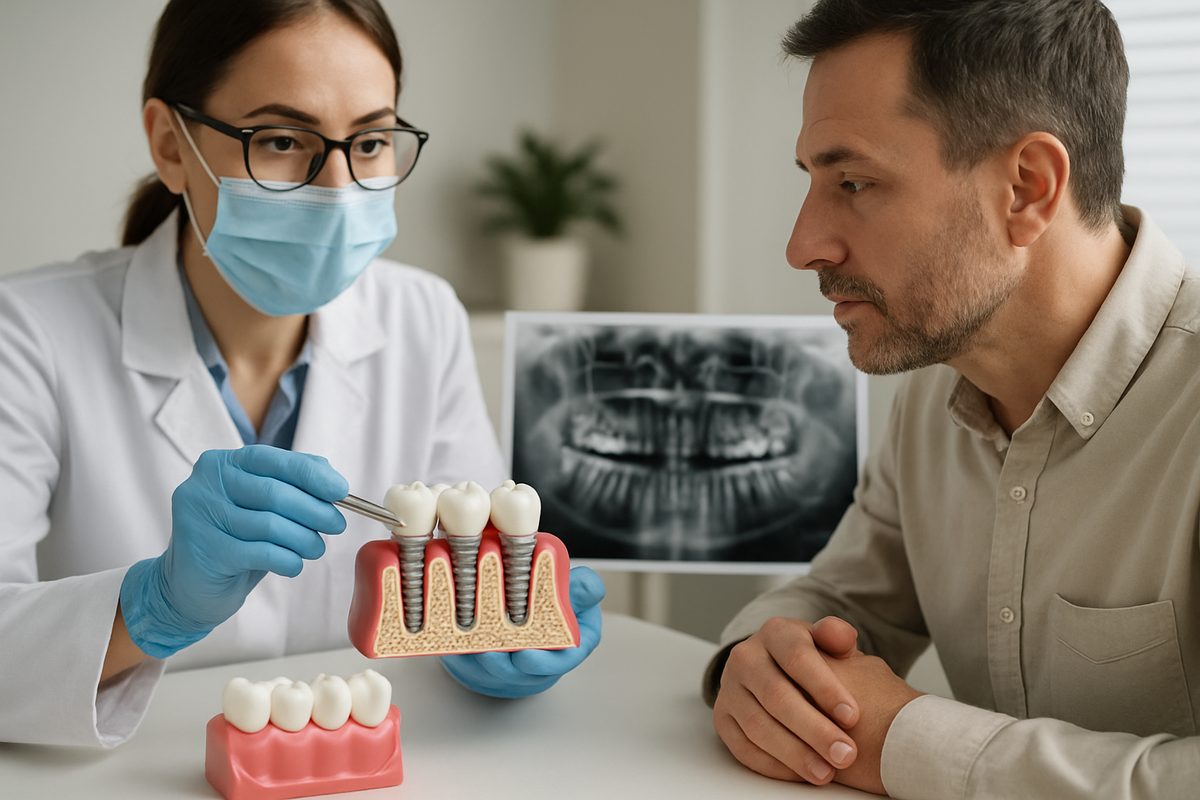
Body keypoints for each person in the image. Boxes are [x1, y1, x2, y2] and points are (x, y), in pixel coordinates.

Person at [0, 0, 603, 749]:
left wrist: (498, 631)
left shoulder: (423, 317)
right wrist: (152, 608)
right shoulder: (26, 334)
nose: (338, 188)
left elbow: (466, 574)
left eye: (372, 141)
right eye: (282, 139)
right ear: (171, 144)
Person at [704, 1, 1199, 798]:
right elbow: (839, 599)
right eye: (815, 183)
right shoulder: (940, 378)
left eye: (855, 182)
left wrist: (906, 742)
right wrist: (758, 663)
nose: (803, 246)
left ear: (1028, 189)